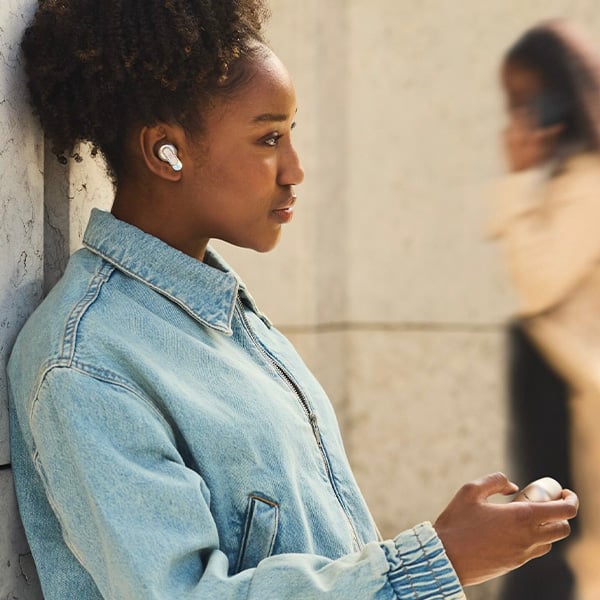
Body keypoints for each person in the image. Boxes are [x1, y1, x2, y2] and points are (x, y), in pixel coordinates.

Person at [7, 2, 578, 599]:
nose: (295, 170)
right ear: (164, 152)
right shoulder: (85, 364)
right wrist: (441, 560)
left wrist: (450, 549)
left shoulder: (226, 318)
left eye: (291, 134)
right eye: (268, 138)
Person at [488, 19, 600, 600]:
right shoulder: (574, 176)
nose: (522, 115)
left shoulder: (587, 182)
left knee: (566, 560)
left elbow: (537, 285)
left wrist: (520, 178)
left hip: (578, 395)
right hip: (563, 390)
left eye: (531, 100)